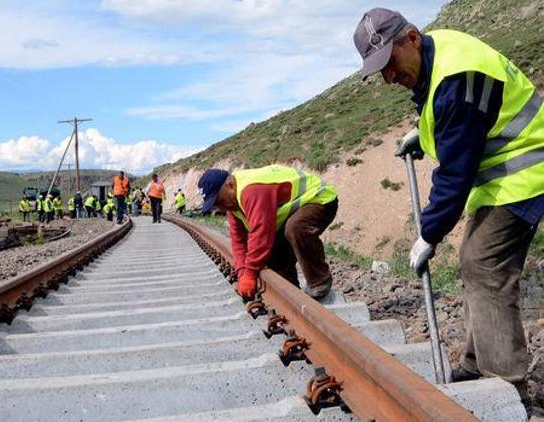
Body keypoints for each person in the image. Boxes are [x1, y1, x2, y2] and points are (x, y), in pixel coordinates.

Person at [353, 8, 544, 405]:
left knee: (484, 263)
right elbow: (459, 117)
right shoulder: (436, 53)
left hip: (526, 170)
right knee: (475, 260)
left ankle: (507, 387)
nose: (389, 77)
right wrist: (422, 136)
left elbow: (455, 173)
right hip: (501, 177)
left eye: (389, 62)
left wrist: (428, 234)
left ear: (411, 37)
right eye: (380, 70)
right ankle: (477, 365)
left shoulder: (457, 79)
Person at [197, 165, 338, 300]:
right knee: (274, 252)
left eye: (219, 200)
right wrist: (242, 274)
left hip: (319, 197)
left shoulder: (251, 190)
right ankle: (291, 295)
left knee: (295, 228)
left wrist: (250, 273)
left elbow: (260, 234)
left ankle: (319, 281)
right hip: (293, 210)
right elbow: (239, 242)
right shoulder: (233, 206)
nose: (220, 208)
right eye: (215, 205)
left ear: (230, 185)